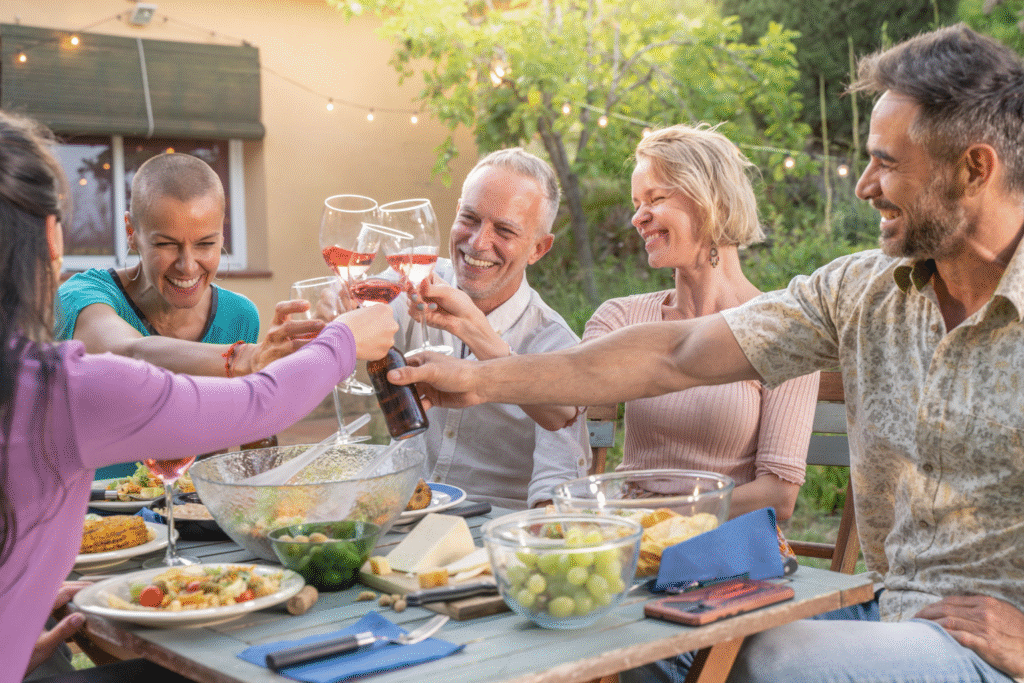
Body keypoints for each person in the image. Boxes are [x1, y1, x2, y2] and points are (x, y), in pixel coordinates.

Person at [390, 24, 1024, 682]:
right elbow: (676, 354)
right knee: (648, 639)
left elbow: (777, 492)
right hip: (886, 611)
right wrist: (480, 376)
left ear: (974, 168)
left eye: (888, 162)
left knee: (766, 660)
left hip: (986, 647)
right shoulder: (862, 290)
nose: (865, 185)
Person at [0, 110, 398, 682]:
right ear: (50, 237)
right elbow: (221, 388)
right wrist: (341, 340)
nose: (188, 264)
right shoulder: (60, 387)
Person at [584, 124, 818, 521]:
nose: (638, 218)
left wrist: (655, 517)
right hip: (630, 540)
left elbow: (777, 499)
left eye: (655, 198)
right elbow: (559, 401)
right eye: (636, 202)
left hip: (724, 547)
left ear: (713, 204)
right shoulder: (620, 318)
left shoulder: (783, 331)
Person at [54, 153, 320, 477]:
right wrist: (245, 358)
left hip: (188, 518)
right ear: (131, 231)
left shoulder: (239, 316)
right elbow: (130, 352)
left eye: (205, 243)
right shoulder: (82, 296)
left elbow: (220, 448)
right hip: (96, 521)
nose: (188, 265)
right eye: (166, 244)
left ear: (223, 234)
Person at [393, 148, 590, 509]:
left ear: (538, 248)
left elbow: (558, 479)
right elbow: (354, 295)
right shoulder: (416, 280)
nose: (479, 242)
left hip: (494, 528)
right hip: (403, 515)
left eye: (505, 230)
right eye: (470, 218)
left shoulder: (555, 343)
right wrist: (336, 302)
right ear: (456, 214)